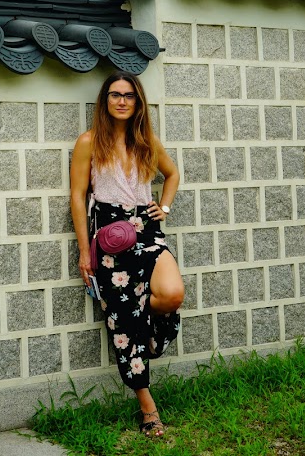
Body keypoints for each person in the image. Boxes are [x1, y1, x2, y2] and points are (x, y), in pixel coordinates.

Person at [69, 71, 184, 437]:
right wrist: (84, 251)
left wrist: (163, 208)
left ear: (138, 102)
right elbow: (77, 196)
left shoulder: (146, 140)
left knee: (171, 294)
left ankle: (141, 325)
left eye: (129, 95)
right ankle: (147, 407)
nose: (122, 101)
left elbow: (172, 174)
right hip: (110, 237)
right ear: (105, 101)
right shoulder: (89, 141)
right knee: (123, 324)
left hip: (147, 231)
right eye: (115, 95)